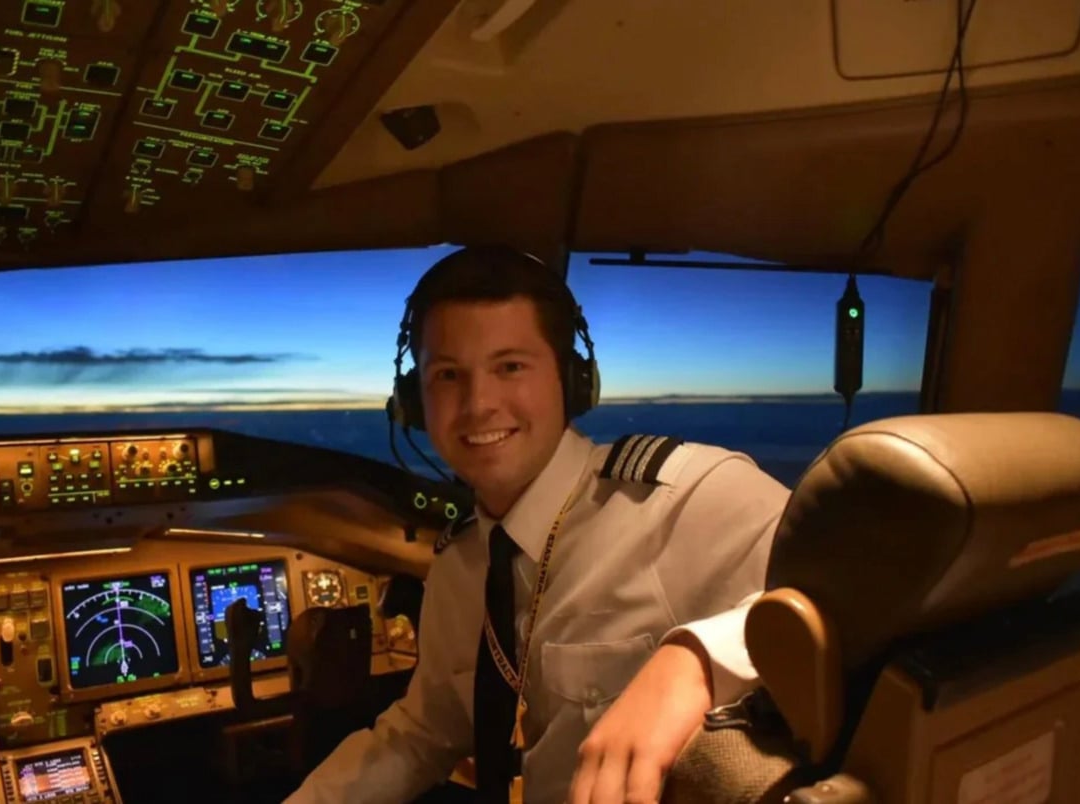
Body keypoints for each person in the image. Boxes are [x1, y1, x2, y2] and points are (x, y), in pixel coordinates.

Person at [283, 246, 790, 804]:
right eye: (449, 374)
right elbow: (425, 731)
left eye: (510, 366)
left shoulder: (684, 500)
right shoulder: (459, 567)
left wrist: (694, 661)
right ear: (414, 401)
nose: (478, 404)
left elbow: (864, 589)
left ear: (573, 382)